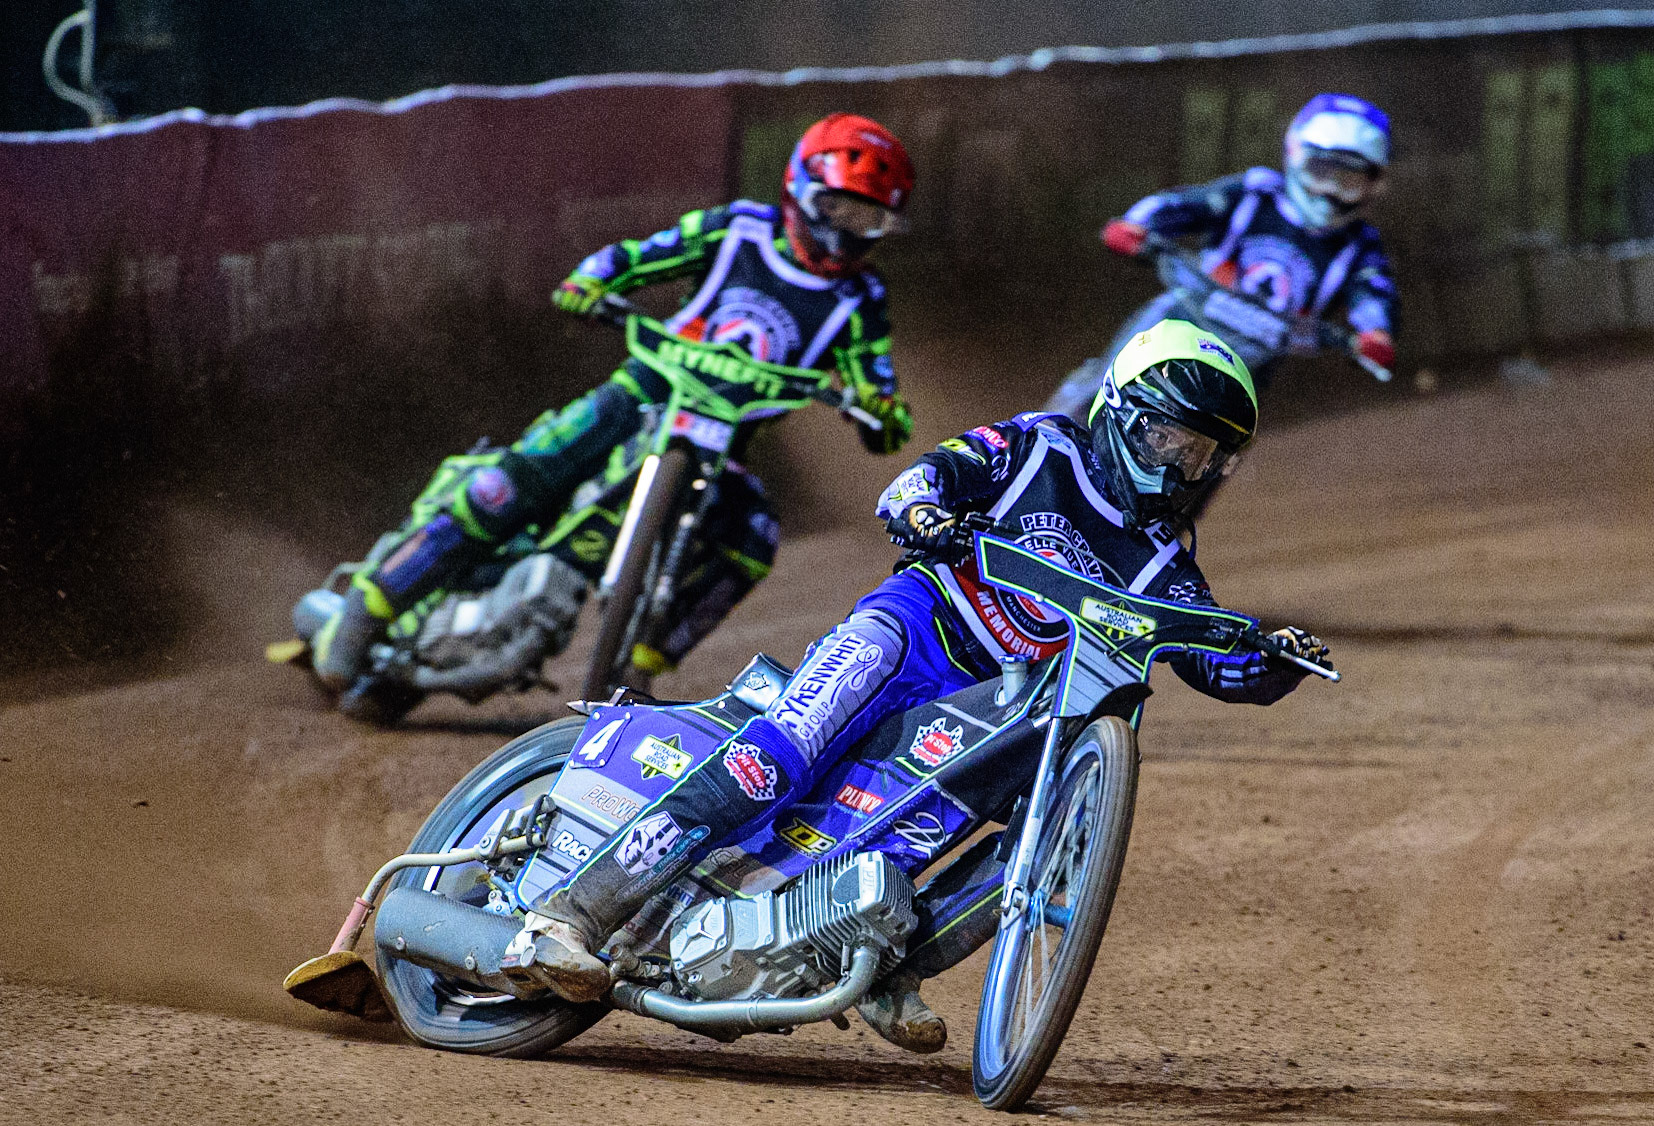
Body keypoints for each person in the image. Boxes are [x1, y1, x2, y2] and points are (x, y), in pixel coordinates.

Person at [505, 319, 1331, 1053]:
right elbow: (919, 481)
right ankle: (570, 913)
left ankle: (881, 966)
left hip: (989, 704)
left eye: (1203, 455)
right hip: (911, 630)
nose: (1182, 468)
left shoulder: (1166, 564)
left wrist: (1273, 660)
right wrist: (928, 514)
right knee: (778, 756)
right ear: (1120, 412)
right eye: (1170, 443)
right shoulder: (1039, 446)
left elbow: (1216, 660)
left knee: (968, 840)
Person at [308, 113, 916, 702]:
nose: (848, 228)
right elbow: (640, 255)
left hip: (722, 446)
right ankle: (363, 610)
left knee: (753, 538)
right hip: (639, 394)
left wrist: (878, 410)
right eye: (839, 208)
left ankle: (641, 668)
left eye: (868, 217)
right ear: (801, 190)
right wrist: (593, 281)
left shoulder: (862, 299)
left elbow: (876, 384)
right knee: (507, 483)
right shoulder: (735, 230)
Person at [1046, 93, 1401, 424]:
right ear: (1296, 156)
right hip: (1180, 320)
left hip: (1250, 362)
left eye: (1349, 181)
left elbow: (1373, 290)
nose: (1331, 193)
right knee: (1101, 386)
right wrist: (1137, 226)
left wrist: (1375, 332)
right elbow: (1181, 205)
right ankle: (1035, 446)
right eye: (1322, 172)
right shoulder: (1254, 196)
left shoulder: (1361, 246)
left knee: (1216, 444)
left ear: (1373, 184)